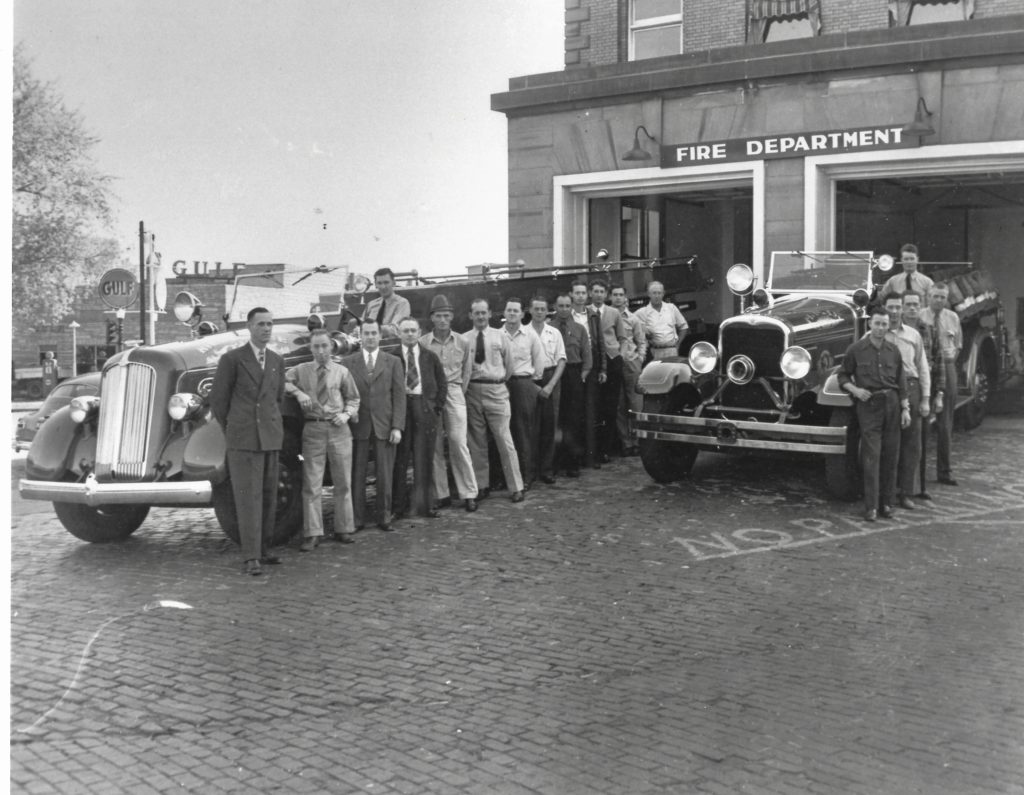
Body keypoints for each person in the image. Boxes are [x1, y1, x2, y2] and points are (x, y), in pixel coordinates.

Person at [209, 307, 286, 576]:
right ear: (249, 327)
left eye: (270, 324)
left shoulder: (277, 360)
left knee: (268, 496)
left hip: (270, 437)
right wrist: (236, 429)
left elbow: (277, 399)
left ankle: (264, 549)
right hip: (244, 439)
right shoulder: (232, 360)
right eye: (261, 324)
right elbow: (218, 402)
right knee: (247, 498)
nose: (266, 329)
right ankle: (251, 555)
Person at [284, 328, 361, 551]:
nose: (320, 351)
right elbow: (282, 381)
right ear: (310, 348)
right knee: (312, 484)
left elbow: (354, 399)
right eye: (316, 346)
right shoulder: (301, 370)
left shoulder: (341, 371)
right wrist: (299, 393)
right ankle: (313, 533)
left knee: (343, 482)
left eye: (324, 346)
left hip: (339, 430)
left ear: (331, 346)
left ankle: (344, 528)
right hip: (313, 430)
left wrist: (346, 414)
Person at [837, 306, 911, 522]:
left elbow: (901, 381)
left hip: (892, 404)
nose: (880, 328)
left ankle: (886, 504)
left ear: (889, 326)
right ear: (870, 324)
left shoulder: (893, 351)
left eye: (884, 324)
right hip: (869, 406)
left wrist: (905, 408)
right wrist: (856, 390)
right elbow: (843, 377)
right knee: (872, 456)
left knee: (891, 455)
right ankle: (871, 507)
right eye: (877, 323)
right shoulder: (856, 349)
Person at [342, 320, 406, 531]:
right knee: (357, 474)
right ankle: (357, 519)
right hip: (358, 425)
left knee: (385, 474)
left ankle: (384, 517)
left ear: (380, 336)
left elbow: (399, 396)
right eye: (366, 333)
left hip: (384, 425)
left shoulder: (393, 362)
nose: (370, 337)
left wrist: (397, 426)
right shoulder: (348, 362)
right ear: (360, 336)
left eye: (373, 333)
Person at [421, 294, 480, 513]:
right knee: (434, 444)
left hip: (454, 392)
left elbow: (467, 371)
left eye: (446, 315)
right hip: (432, 395)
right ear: (432, 318)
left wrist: (458, 393)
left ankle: (468, 493)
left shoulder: (463, 341)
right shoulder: (424, 343)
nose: (443, 320)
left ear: (452, 317)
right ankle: (441, 493)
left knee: (458, 441)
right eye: (438, 316)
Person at [463, 298, 525, 502]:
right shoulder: (464, 339)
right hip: (472, 390)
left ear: (490, 314)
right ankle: (482, 485)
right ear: (471, 315)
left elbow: (509, 368)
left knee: (504, 440)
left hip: (496, 390)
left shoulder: (501, 336)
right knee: (477, 442)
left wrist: (497, 382)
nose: (480, 316)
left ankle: (516, 487)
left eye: (484, 312)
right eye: (476, 313)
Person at [393, 317, 447, 519]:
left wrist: (435, 408)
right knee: (401, 459)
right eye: (405, 330)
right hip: (402, 410)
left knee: (424, 459)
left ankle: (426, 505)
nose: (409, 334)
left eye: (413, 330)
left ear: (419, 332)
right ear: (399, 333)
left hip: (424, 409)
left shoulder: (429, 357)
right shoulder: (392, 357)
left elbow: (442, 384)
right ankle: (398, 507)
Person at [882, 294, 930, 510]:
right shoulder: (876, 332)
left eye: (897, 307)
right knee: (891, 444)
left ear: (902, 310)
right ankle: (888, 494)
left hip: (912, 388)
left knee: (912, 443)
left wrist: (926, 398)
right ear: (884, 308)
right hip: (888, 390)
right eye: (890, 307)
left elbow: (923, 367)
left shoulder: (913, 335)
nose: (894, 311)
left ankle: (907, 493)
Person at [902, 290, 943, 500]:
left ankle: (920, 487)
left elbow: (938, 361)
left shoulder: (927, 330)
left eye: (915, 304)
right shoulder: (892, 328)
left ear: (921, 306)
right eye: (908, 304)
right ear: (902, 306)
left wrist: (938, 394)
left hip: (923, 389)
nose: (911, 308)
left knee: (920, 440)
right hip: (901, 388)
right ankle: (901, 488)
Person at [920, 281, 962, 486]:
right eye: (935, 296)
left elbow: (958, 345)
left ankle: (944, 472)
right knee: (923, 422)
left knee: (946, 423)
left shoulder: (953, 318)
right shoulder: (920, 316)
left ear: (947, 299)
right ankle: (917, 475)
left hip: (947, 365)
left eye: (942, 297)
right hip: (926, 368)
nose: (939, 300)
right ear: (928, 296)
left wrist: (949, 363)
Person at [502, 297, 544, 488]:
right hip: (502, 385)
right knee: (503, 430)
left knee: (523, 430)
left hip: (523, 383)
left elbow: (539, 363)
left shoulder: (530, 335)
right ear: (504, 313)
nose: (512, 314)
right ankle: (504, 477)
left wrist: (530, 384)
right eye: (509, 310)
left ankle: (527, 475)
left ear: (521, 313)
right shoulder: (497, 334)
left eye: (515, 311)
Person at [549, 293, 592, 478]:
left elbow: (587, 357)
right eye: (561, 305)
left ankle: (573, 463)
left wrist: (581, 377)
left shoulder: (579, 328)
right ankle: (554, 462)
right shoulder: (549, 328)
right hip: (554, 374)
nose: (564, 309)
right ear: (555, 306)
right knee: (556, 419)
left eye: (568, 305)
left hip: (573, 374)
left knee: (574, 420)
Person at [528, 295, 567, 484]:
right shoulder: (524, 332)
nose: (539, 312)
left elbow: (561, 360)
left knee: (550, 427)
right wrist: (533, 387)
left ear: (547, 311)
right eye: (536, 309)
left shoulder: (554, 333)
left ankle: (546, 469)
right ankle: (530, 471)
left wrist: (551, 385)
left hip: (551, 379)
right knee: (531, 427)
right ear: (530, 310)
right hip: (530, 381)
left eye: (543, 309)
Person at [589, 279, 627, 461]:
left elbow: (623, 338)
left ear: (606, 295)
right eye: (595, 291)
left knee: (610, 406)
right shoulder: (586, 312)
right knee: (593, 405)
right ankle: (591, 449)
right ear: (591, 293)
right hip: (593, 361)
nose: (598, 295)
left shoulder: (613, 313)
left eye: (601, 292)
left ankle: (606, 449)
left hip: (612, 360)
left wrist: (620, 356)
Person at [570, 279, 605, 468]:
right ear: (572, 295)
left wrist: (603, 369)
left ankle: (591, 456)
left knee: (592, 411)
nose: (581, 296)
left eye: (583, 293)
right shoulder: (568, 315)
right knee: (576, 411)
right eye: (577, 293)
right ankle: (575, 457)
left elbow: (600, 342)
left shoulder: (593, 315)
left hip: (592, 364)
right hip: (574, 364)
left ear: (587, 295)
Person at [610, 285, 647, 456]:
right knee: (619, 405)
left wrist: (639, 359)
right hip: (615, 364)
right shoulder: (606, 317)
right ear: (611, 297)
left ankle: (637, 441)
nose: (618, 298)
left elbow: (641, 342)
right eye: (615, 295)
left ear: (626, 298)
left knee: (635, 404)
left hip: (632, 364)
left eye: (621, 295)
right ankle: (626, 443)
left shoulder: (633, 319)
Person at [634, 281, 688, 361]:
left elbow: (684, 327)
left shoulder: (671, 308)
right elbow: (630, 323)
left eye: (659, 293)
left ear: (663, 294)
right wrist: (644, 332)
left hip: (672, 350)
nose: (657, 296)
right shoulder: (642, 312)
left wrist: (678, 344)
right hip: (655, 352)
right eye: (654, 293)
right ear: (649, 294)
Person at [361, 267, 411, 339]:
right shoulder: (371, 305)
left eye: (386, 282)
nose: (383, 287)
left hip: (391, 346)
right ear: (375, 284)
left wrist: (368, 329)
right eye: (379, 283)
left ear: (394, 282)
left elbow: (394, 330)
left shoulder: (402, 303)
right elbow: (361, 325)